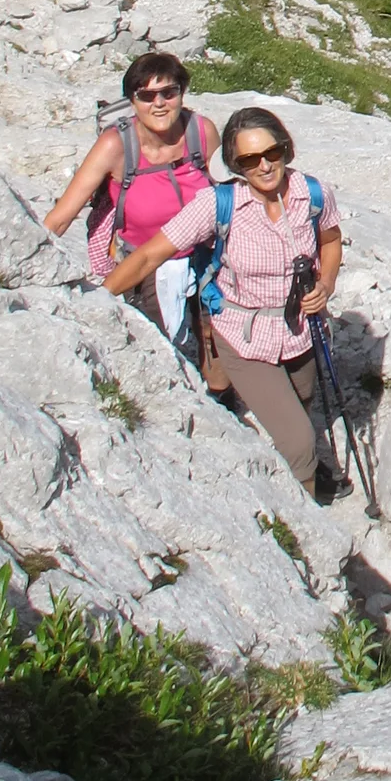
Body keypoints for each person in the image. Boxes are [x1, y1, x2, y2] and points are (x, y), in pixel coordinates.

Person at [102, 106, 345, 503]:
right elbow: (151, 255)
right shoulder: (218, 204)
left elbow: (331, 240)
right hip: (243, 336)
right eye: (250, 159)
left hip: (301, 331)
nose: (265, 165)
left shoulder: (312, 194)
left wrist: (327, 284)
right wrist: (98, 296)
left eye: (273, 152)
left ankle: (295, 465)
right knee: (301, 440)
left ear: (287, 149)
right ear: (235, 164)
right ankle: (307, 514)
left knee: (302, 404)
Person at [44, 53, 220, 343]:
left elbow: (228, 193)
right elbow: (62, 216)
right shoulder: (116, 145)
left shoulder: (201, 132)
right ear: (132, 101)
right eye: (147, 96)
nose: (159, 103)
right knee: (163, 342)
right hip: (143, 264)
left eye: (169, 92)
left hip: (204, 256)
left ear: (181, 93)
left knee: (215, 359)